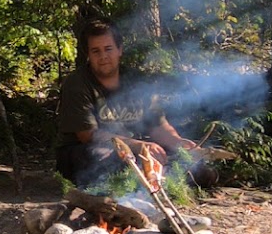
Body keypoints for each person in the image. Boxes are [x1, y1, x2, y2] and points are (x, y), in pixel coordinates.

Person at [55, 18, 219, 189]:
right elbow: (88, 135)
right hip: (86, 152)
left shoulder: (136, 80)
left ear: (120, 50)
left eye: (108, 49)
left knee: (191, 162)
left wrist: (178, 143)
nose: (103, 56)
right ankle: (159, 178)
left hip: (133, 150)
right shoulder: (77, 84)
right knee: (100, 155)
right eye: (95, 51)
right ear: (88, 55)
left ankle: (165, 176)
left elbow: (157, 125)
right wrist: (138, 146)